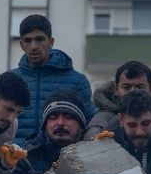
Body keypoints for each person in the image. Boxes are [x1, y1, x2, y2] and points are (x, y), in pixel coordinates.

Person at [11, 14, 96, 145]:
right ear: (22, 44)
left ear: (51, 42)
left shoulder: (78, 81)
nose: (34, 46)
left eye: (40, 39)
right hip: (17, 161)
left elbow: (91, 124)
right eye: (28, 40)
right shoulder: (10, 80)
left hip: (63, 161)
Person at [0, 88, 87, 174]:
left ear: (81, 125)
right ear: (44, 125)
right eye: (53, 117)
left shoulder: (91, 154)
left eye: (68, 117)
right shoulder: (25, 156)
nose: (60, 123)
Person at [84, 61, 151, 139]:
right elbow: (93, 132)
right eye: (126, 87)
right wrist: (95, 138)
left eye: (140, 87)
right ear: (116, 89)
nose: (133, 92)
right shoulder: (105, 116)